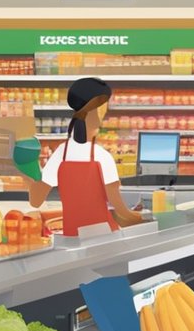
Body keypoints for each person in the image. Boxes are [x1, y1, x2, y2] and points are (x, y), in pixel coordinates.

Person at [25, 77, 143, 236]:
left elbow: (35, 201)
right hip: (104, 237)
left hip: (72, 235)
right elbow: (120, 211)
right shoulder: (102, 157)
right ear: (99, 108)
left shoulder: (61, 153)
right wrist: (144, 220)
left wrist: (25, 170)